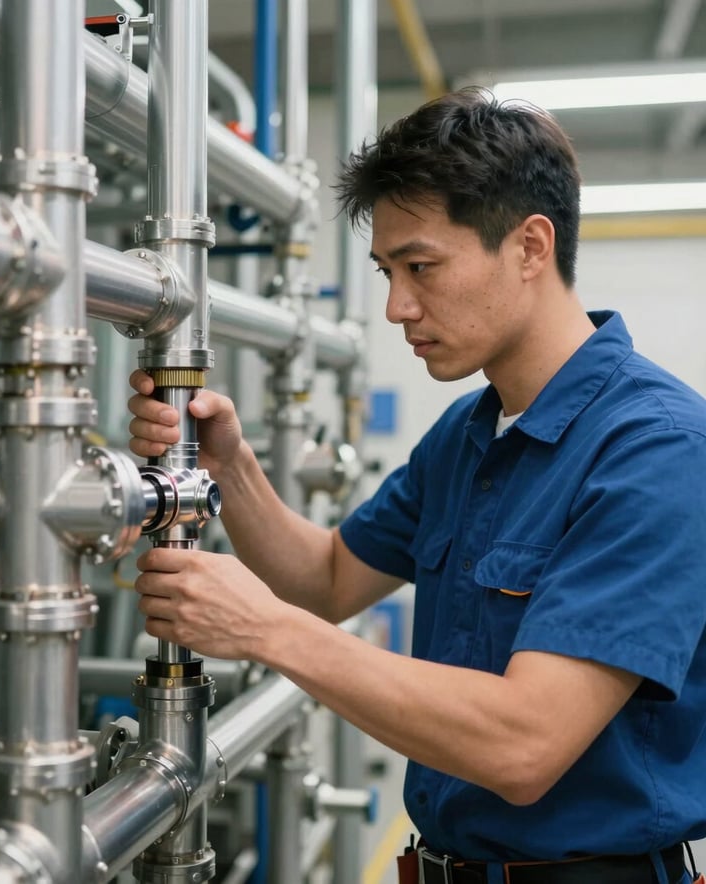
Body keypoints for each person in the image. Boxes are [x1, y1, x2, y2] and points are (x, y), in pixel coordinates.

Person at [127, 88, 706, 884]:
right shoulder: (468, 434)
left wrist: (263, 630)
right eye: (387, 270)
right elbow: (327, 580)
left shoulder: (657, 449)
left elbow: (525, 744)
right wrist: (233, 466)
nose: (398, 306)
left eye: (421, 267)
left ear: (531, 247)